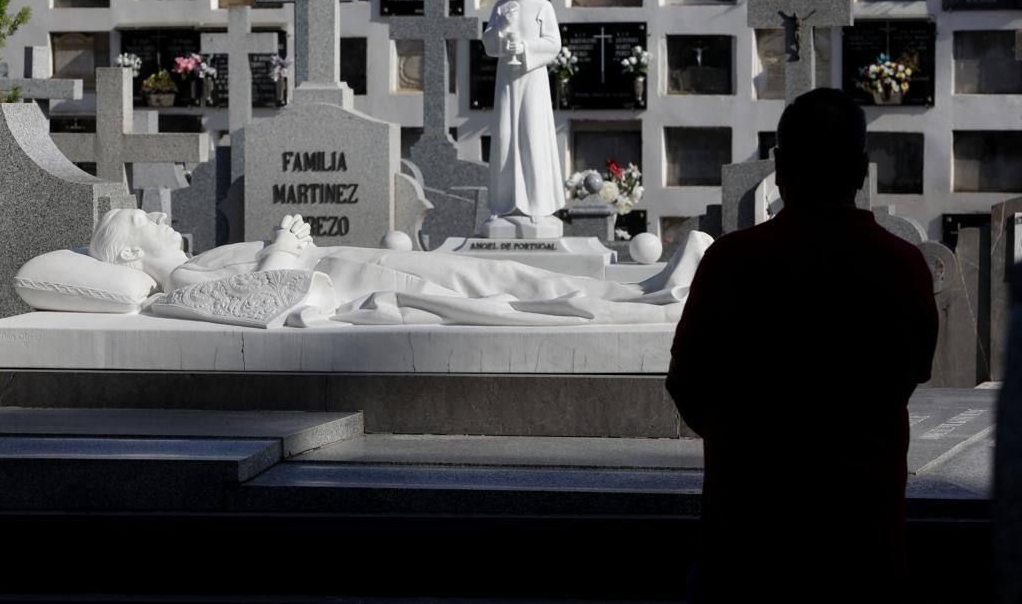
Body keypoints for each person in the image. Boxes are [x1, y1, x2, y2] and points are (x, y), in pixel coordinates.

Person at [666, 88, 938, 603]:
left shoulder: (731, 262)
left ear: (780, 166)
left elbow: (686, 383)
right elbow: (912, 373)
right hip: (862, 539)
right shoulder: (901, 266)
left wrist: (746, 438)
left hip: (746, 538)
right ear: (861, 170)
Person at [86, 209, 713, 327]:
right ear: (130, 254)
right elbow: (259, 296)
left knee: (502, 278)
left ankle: (646, 290)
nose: (158, 218)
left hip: (358, 262)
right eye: (143, 220)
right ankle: (648, 298)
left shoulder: (198, 258)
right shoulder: (180, 283)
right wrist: (283, 244)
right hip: (363, 280)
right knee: (497, 282)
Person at [480, 0, 564, 235]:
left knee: (532, 135)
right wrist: (502, 32)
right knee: (506, 137)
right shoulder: (501, 7)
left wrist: (525, 49)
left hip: (532, 79)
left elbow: (553, 44)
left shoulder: (543, 7)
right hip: (507, 81)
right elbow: (489, 43)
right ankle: (503, 205)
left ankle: (538, 205)